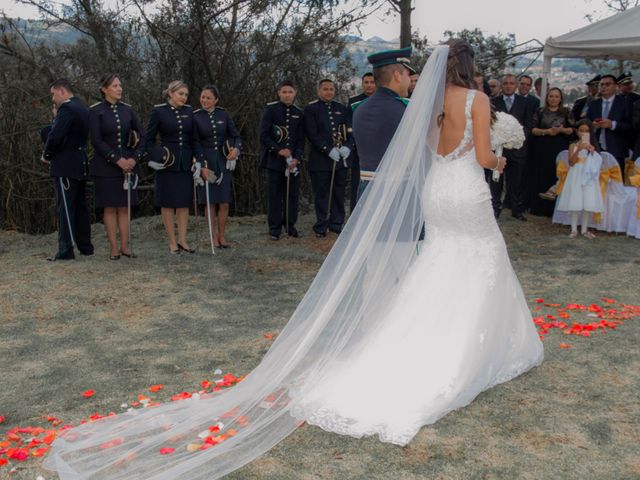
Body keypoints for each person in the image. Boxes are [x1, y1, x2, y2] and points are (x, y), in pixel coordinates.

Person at [44, 40, 544, 480]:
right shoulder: (470, 101)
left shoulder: (422, 106)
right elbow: (477, 157)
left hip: (432, 192)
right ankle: (467, 345)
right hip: (458, 191)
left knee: (439, 262)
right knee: (476, 259)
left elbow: (429, 151)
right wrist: (499, 156)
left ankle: (421, 334)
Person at [89, 74, 144, 259]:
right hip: (106, 167)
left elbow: (143, 137)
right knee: (110, 208)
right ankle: (113, 248)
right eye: (115, 86)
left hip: (128, 166)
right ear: (104, 89)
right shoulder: (96, 111)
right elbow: (96, 141)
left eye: (120, 85)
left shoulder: (128, 110)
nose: (119, 88)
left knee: (124, 207)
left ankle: (125, 247)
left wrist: (134, 159)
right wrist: (116, 160)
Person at [145, 80, 202, 254]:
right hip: (167, 163)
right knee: (168, 203)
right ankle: (172, 242)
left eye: (186, 94)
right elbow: (148, 140)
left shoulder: (189, 111)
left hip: (185, 163)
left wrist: (198, 160)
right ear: (170, 93)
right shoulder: (159, 111)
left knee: (184, 203)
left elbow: (194, 139)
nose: (183, 97)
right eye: (180, 94)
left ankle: (183, 240)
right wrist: (157, 157)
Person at [41, 79, 94, 261]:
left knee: (65, 208)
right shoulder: (82, 106)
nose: (53, 99)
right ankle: (85, 246)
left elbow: (55, 135)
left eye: (53, 94)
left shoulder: (67, 109)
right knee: (80, 207)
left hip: (65, 164)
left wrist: (46, 155)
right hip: (79, 162)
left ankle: (66, 250)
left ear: (62, 91)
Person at [352, 46, 415, 199]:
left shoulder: (359, 109)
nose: (409, 81)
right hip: (398, 193)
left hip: (366, 190)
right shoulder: (407, 109)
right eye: (407, 74)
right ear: (397, 76)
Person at [194, 85, 242, 248]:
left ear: (216, 100)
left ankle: (222, 236)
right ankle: (212, 236)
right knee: (210, 202)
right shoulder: (196, 117)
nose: (204, 100)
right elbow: (195, 142)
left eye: (208, 97)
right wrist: (200, 165)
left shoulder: (224, 114)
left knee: (224, 202)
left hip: (223, 161)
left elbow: (236, 136)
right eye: (202, 97)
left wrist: (236, 149)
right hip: (206, 162)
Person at [304, 79, 354, 236]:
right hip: (321, 159)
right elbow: (312, 133)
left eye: (331, 89)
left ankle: (336, 223)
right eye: (325, 89)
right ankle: (321, 225)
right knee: (322, 193)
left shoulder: (342, 108)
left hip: (340, 159)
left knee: (339, 192)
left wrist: (348, 146)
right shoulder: (311, 109)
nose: (328, 92)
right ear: (319, 91)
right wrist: (328, 149)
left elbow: (351, 130)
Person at [259, 80, 305, 240]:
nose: (287, 95)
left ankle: (290, 225)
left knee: (292, 195)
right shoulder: (271, 110)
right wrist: (279, 150)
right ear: (279, 93)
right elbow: (263, 135)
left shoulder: (298, 113)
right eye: (284, 92)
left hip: (292, 163)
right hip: (274, 161)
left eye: (290, 92)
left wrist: (297, 158)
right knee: (274, 195)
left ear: (295, 93)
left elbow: (300, 139)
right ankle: (274, 229)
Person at [490, 73, 535, 220]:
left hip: (518, 149)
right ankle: (495, 208)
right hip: (499, 149)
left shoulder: (525, 102)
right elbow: (490, 124)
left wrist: (516, 140)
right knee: (497, 181)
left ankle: (516, 209)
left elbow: (528, 124)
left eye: (511, 83)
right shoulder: (493, 101)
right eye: (506, 83)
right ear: (502, 86)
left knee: (516, 182)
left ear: (516, 85)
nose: (508, 86)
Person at [555, 119, 604, 238]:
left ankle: (584, 229)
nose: (584, 133)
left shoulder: (593, 146)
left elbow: (597, 163)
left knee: (587, 200)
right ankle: (573, 229)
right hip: (576, 173)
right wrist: (579, 149)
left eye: (586, 131)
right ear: (577, 132)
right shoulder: (573, 145)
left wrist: (592, 152)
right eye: (581, 131)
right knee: (575, 199)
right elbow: (571, 162)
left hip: (588, 175)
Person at [529, 87, 573, 216]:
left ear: (560, 99)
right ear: (547, 98)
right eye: (551, 96)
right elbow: (533, 129)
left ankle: (554, 209)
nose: (553, 99)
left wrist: (562, 130)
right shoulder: (540, 111)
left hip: (559, 146)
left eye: (556, 96)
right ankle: (539, 208)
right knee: (541, 174)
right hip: (542, 146)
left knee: (556, 174)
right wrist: (547, 132)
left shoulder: (566, 112)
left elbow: (573, 130)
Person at [587, 74, 633, 176]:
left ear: (615, 86)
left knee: (616, 183)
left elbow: (630, 126)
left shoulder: (624, 103)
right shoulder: (594, 104)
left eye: (607, 84)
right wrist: (593, 126)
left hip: (617, 149)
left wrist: (612, 124)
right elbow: (586, 123)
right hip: (596, 149)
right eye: (601, 84)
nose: (603, 87)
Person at [347, 72, 376, 212]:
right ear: (362, 84)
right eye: (366, 82)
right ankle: (355, 216)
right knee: (357, 186)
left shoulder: (381, 100)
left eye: (372, 82)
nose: (369, 85)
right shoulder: (354, 102)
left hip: (378, 151)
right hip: (358, 151)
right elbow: (349, 126)